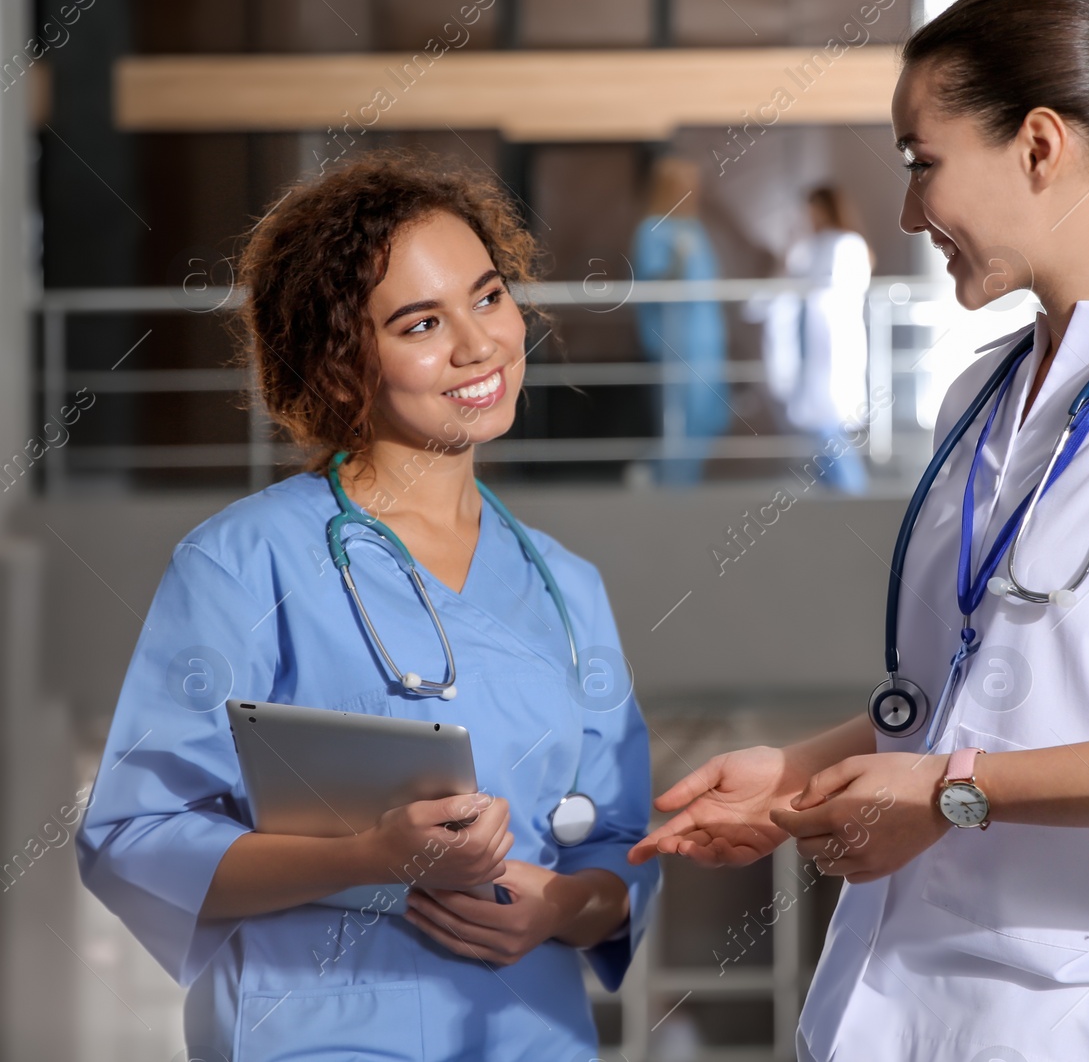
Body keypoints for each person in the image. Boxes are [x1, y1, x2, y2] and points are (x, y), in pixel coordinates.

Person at [628, 0, 1089, 1062]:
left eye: (920, 165)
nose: (906, 212)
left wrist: (951, 791)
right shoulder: (979, 391)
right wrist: (794, 771)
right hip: (869, 1006)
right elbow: (964, 692)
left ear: (1037, 144)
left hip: (1055, 1009)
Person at [76, 150, 661, 1061]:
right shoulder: (245, 562)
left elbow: (621, 845)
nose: (478, 346)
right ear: (340, 363)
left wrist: (562, 906)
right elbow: (133, 835)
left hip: (530, 1033)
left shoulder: (565, 585)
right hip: (315, 1036)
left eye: (489, 296)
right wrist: (367, 860)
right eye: (421, 323)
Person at [746, 185, 874, 493]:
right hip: (808, 351)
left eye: (813, 209)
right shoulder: (807, 248)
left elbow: (832, 292)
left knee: (828, 430)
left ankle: (854, 495)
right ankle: (842, 498)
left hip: (834, 350)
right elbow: (765, 300)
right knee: (820, 435)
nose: (808, 216)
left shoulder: (847, 244)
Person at [630, 155, 731, 485]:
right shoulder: (652, 230)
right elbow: (656, 284)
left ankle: (682, 480)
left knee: (708, 414)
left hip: (706, 337)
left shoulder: (694, 228)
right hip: (675, 340)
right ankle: (671, 482)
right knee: (680, 416)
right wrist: (677, 259)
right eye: (684, 186)